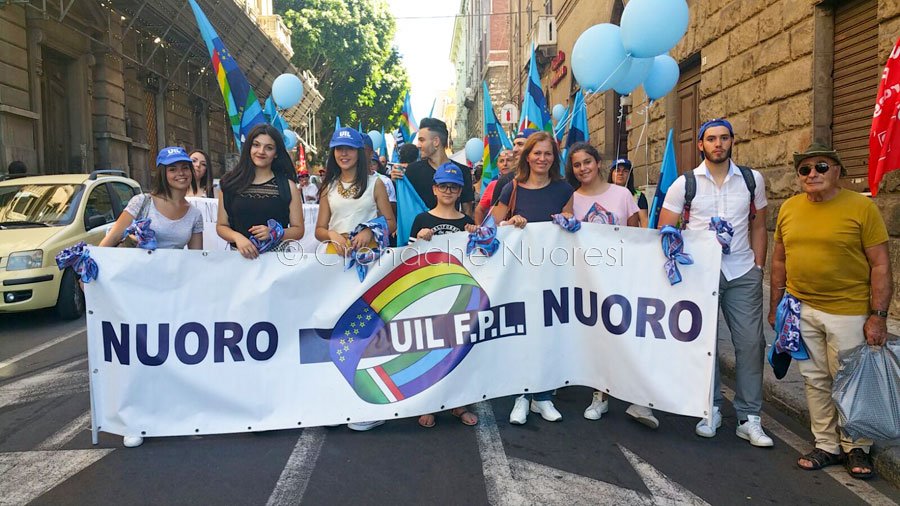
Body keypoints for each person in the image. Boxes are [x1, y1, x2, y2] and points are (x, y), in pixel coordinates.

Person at [770, 143, 892, 479]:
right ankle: (826, 444)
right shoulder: (789, 208)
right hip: (801, 308)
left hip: (848, 311)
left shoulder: (861, 207)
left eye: (821, 167)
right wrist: (776, 305)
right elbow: (779, 259)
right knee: (815, 379)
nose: (812, 174)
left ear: (838, 171)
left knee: (851, 381)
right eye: (805, 169)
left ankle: (857, 446)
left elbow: (881, 264)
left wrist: (879, 316)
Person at [657, 118, 772, 447]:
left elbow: (759, 226)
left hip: (742, 271)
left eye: (723, 138)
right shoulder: (685, 184)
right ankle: (710, 408)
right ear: (701, 144)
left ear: (732, 141)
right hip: (700, 274)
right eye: (711, 139)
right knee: (704, 342)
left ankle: (749, 417)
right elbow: (665, 229)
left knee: (751, 343)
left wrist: (758, 267)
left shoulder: (751, 180)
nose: (718, 144)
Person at [99, 146, 203, 447]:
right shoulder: (141, 202)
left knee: (170, 353)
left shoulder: (195, 214)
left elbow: (197, 260)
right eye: (173, 169)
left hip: (172, 293)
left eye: (184, 167)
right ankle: (136, 421)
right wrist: (89, 267)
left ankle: (170, 412)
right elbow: (112, 238)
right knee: (138, 354)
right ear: (162, 173)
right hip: (137, 291)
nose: (181, 173)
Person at [564, 142, 658, 427]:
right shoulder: (571, 199)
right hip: (589, 278)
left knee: (630, 336)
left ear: (597, 163)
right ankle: (600, 396)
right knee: (599, 338)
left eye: (587, 162)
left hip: (622, 275)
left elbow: (634, 233)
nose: (583, 168)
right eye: (577, 165)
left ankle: (640, 400)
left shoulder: (622, 194)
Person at [491, 131, 574, 425]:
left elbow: (570, 228)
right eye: (537, 153)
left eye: (548, 153)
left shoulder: (564, 190)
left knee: (547, 333)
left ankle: (543, 396)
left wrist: (569, 222)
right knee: (522, 334)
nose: (542, 158)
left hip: (552, 273)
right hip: (517, 275)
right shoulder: (511, 188)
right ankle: (521, 396)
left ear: (554, 158)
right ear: (527, 156)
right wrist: (509, 223)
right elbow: (492, 227)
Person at [409, 163, 478, 428]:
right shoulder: (422, 219)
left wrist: (475, 235)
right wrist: (420, 238)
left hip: (458, 293)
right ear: (434, 189)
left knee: (456, 347)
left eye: (454, 187)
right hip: (429, 291)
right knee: (429, 349)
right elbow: (409, 255)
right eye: (443, 186)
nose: (448, 191)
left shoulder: (466, 222)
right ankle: (429, 403)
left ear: (460, 192)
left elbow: (478, 258)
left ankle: (457, 402)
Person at [216, 124, 305, 259]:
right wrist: (237, 237)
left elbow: (298, 230)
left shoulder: (288, 187)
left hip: (276, 262)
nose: (261, 151)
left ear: (276, 153)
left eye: (269, 148)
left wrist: (274, 233)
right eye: (256, 145)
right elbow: (221, 226)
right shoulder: (230, 183)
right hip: (238, 260)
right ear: (249, 148)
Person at [314, 126, 396, 258]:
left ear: (359, 152)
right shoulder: (328, 186)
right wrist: (331, 234)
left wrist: (370, 232)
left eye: (350, 148)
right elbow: (319, 230)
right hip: (336, 254)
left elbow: (391, 223)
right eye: (339, 148)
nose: (344, 153)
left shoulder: (375, 183)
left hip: (367, 255)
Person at [390, 117, 474, 216]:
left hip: (453, 226)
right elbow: (405, 206)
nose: (418, 145)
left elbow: (467, 211)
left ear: (436, 142)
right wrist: (396, 182)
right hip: (420, 225)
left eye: (422, 140)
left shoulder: (462, 171)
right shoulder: (413, 171)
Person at [490, 129, 537, 207]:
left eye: (520, 144)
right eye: (514, 145)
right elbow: (494, 213)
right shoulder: (506, 181)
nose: (514, 149)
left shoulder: (555, 181)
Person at [474, 149, 512, 224]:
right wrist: (479, 229)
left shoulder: (522, 183)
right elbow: (479, 210)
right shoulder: (493, 185)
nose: (505, 164)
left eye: (509, 160)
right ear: (497, 165)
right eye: (501, 161)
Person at [608, 158, 649, 227]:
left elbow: (644, 221)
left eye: (625, 171)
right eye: (617, 170)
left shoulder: (638, 196)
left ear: (630, 175)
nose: (621, 173)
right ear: (611, 173)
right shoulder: (603, 193)